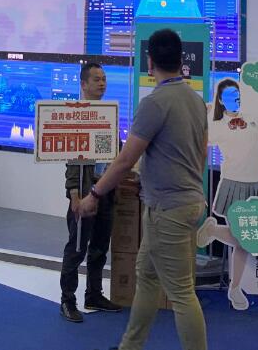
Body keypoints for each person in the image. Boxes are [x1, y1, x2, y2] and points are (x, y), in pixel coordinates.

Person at [77, 29, 208, 350]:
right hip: (183, 201)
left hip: (168, 209)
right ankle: (130, 346)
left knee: (181, 292)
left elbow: (125, 160)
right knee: (147, 276)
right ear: (180, 59)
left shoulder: (155, 103)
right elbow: (200, 154)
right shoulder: (195, 101)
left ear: (150, 62)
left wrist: (94, 194)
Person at [197, 75, 258, 311]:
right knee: (244, 239)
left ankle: (232, 279)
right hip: (232, 183)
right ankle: (234, 286)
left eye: (238, 95)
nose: (235, 99)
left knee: (246, 239)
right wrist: (202, 111)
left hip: (254, 184)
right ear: (221, 99)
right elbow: (196, 139)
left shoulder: (252, 115)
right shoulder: (215, 123)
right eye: (229, 96)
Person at [59, 62, 122, 322]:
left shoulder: (109, 114)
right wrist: (74, 195)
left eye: (104, 78)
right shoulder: (76, 115)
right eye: (96, 79)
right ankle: (67, 300)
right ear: (83, 84)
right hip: (84, 192)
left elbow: (116, 151)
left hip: (105, 190)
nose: (102, 83)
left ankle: (94, 294)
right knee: (76, 248)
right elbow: (71, 159)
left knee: (99, 247)